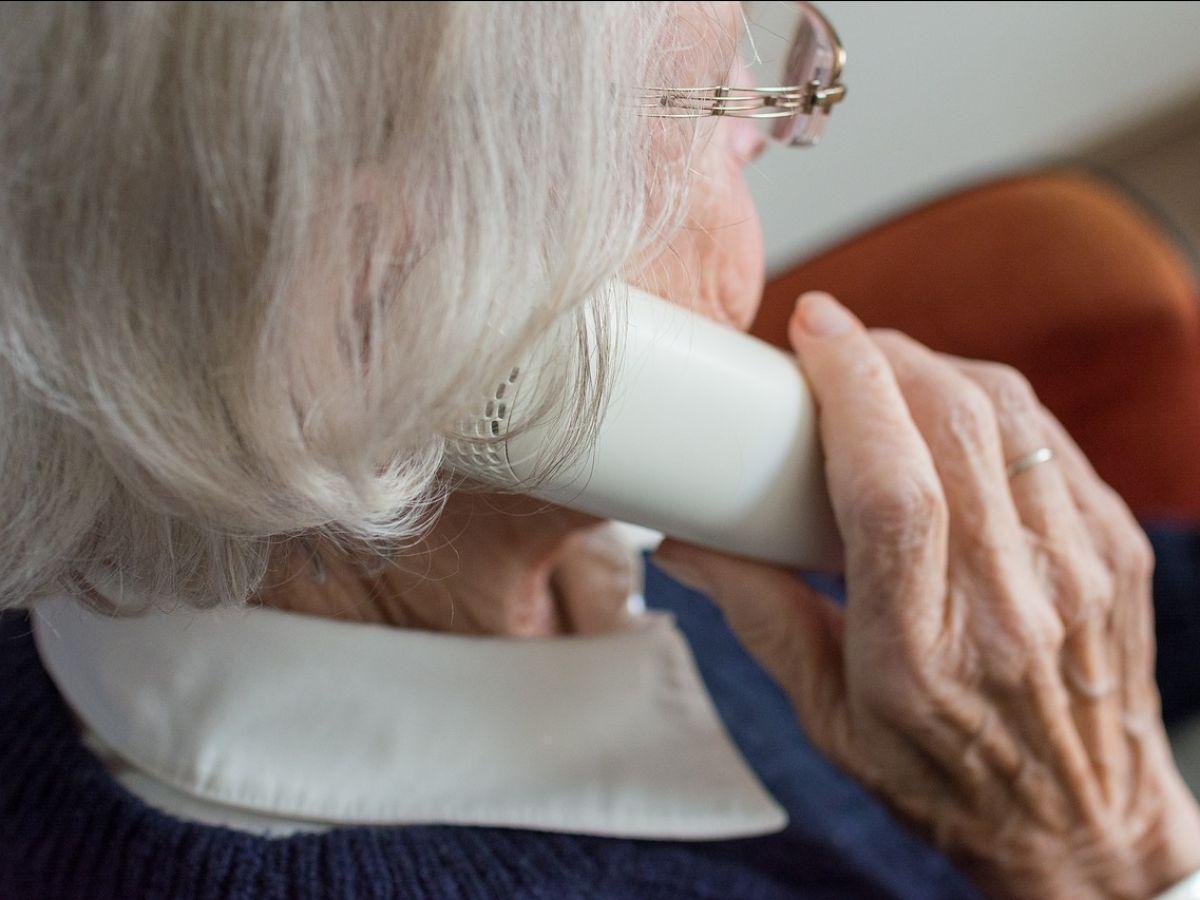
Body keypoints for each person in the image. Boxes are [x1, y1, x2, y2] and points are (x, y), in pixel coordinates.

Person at [1, 3, 1197, 898]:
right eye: (715, 94)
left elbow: (1062, 614)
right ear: (384, 313)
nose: (781, 126)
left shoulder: (546, 509)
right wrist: (1107, 849)